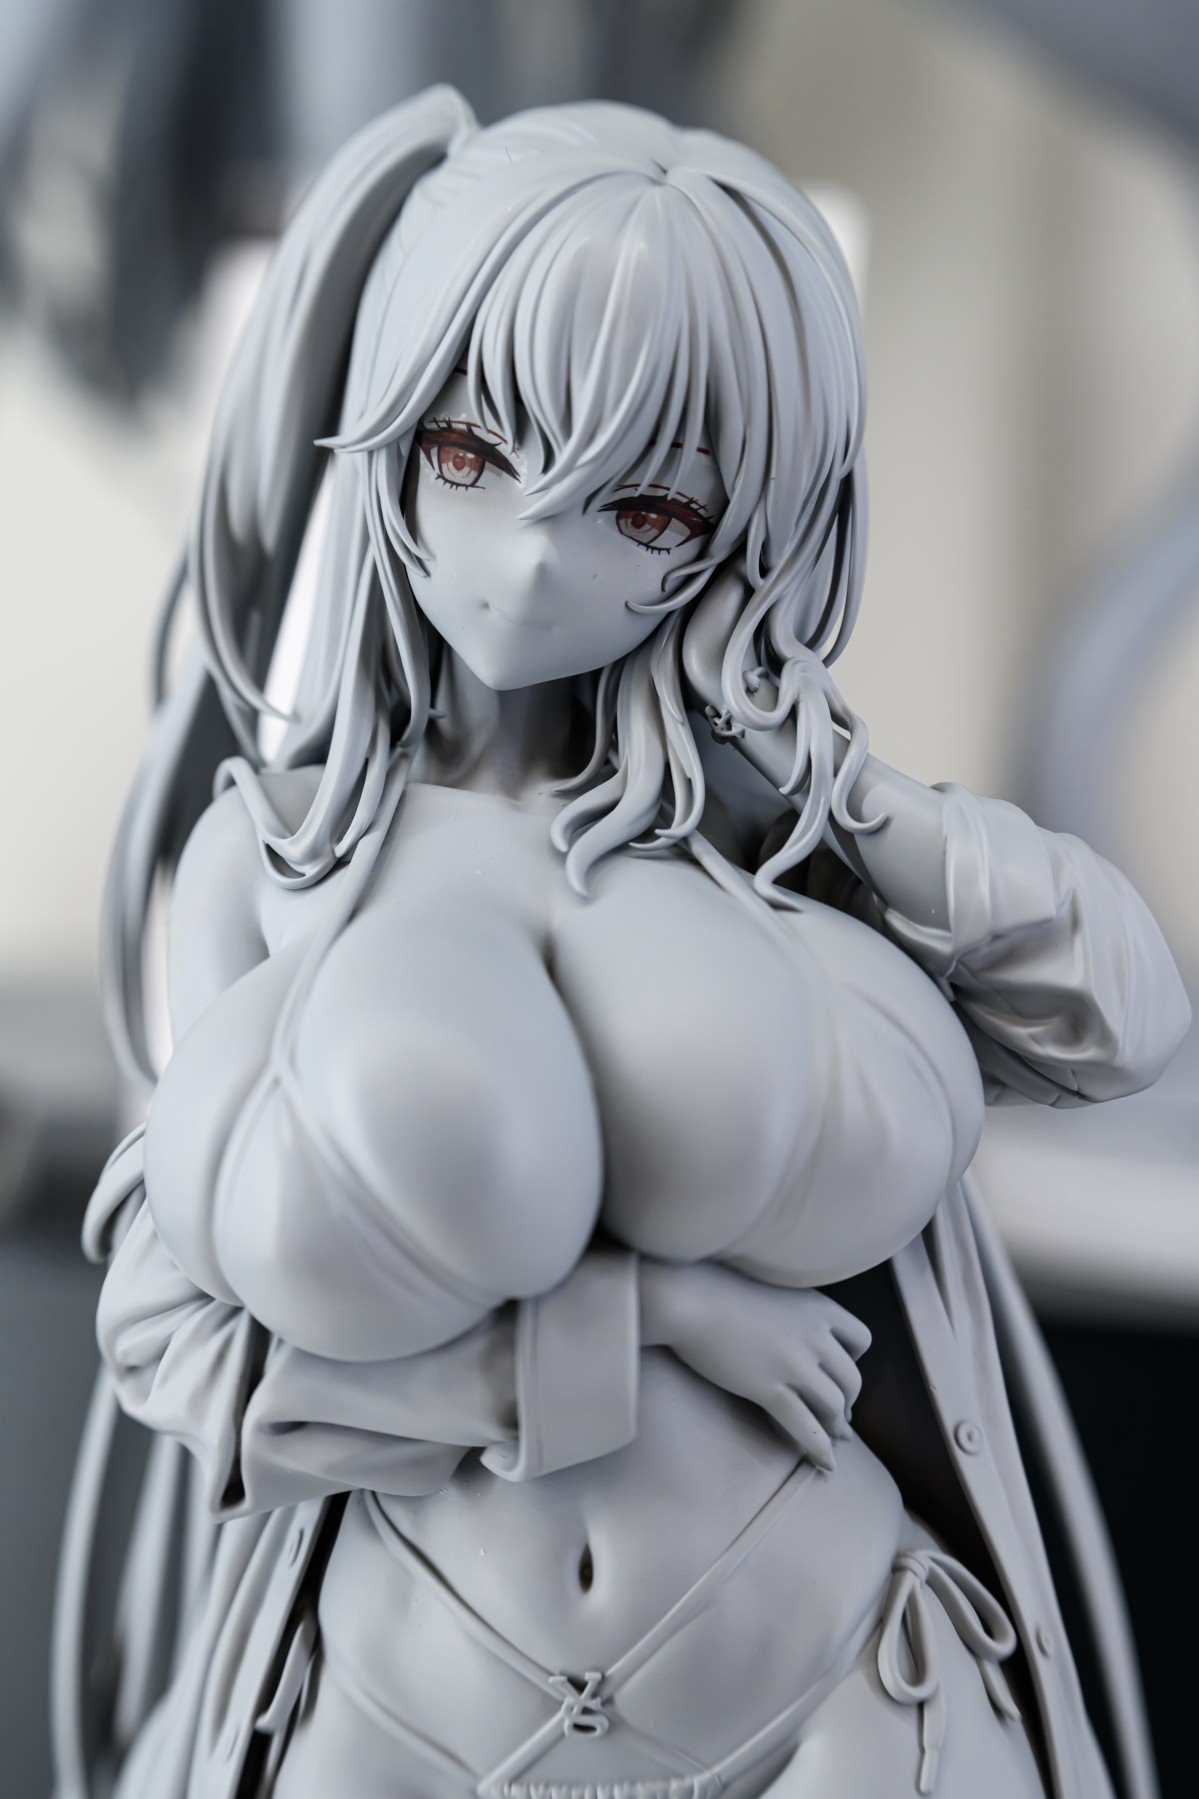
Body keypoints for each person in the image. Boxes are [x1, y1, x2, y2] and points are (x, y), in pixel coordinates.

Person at [54, 88, 1189, 1799]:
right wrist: (649, 1326)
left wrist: (842, 785)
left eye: (644, 512)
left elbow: (1121, 1022)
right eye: (468, 454)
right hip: (395, 1714)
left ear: (745, 532)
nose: (528, 558)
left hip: (844, 1692)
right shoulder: (285, 854)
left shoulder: (776, 841)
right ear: (388, 428)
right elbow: (176, 1348)